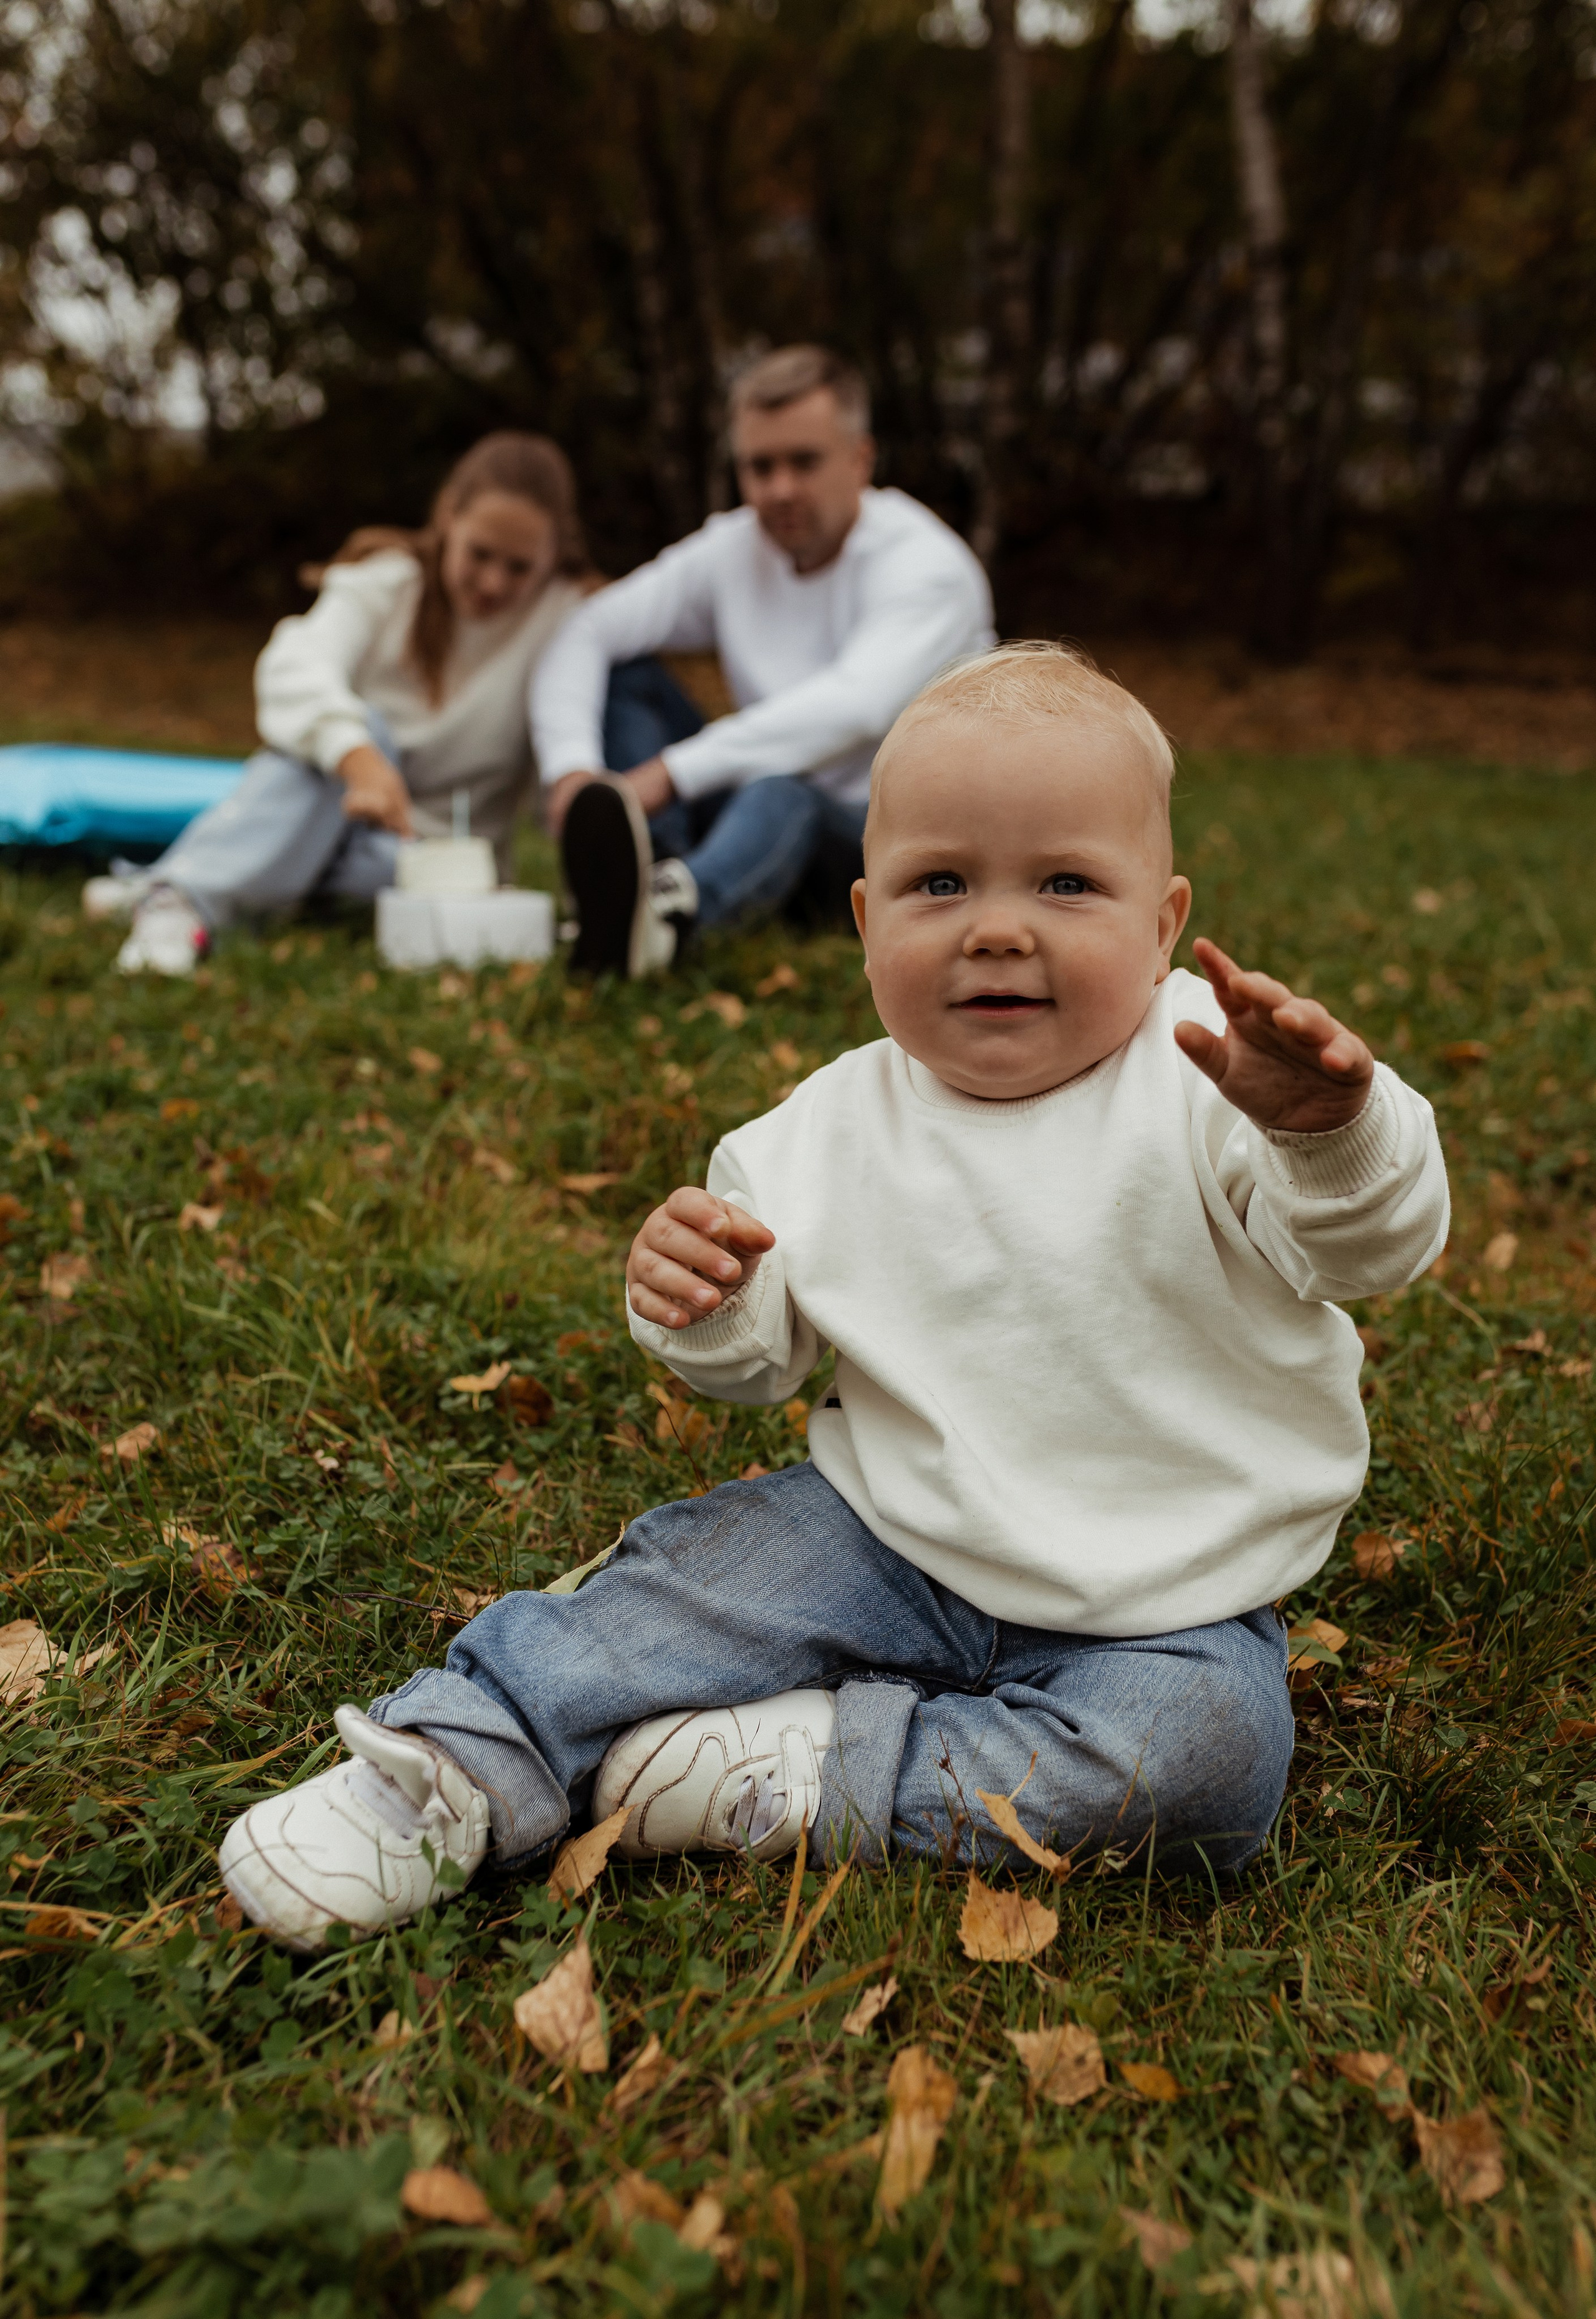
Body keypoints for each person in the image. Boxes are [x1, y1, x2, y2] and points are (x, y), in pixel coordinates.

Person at [216, 643, 1449, 1949]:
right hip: (884, 1537)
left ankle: (794, 1776)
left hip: (1165, 1597)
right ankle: (448, 1767)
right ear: (866, 923)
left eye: (1066, 883)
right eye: (939, 883)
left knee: (1210, 1758)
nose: (995, 925)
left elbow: (1366, 1251)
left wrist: (1326, 1130)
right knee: (684, 1588)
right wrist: (699, 1304)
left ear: (1160, 922)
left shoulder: (1214, 1078)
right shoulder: (816, 1133)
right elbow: (756, 1362)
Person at [532, 343, 995, 979]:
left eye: (803, 462)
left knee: (783, 793)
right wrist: (572, 773)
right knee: (626, 677)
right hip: (751, 819)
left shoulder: (927, 567)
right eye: (758, 467)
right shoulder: (734, 548)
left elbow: (854, 706)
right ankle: (638, 883)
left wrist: (667, 774)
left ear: (861, 460)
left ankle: (670, 922)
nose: (778, 490)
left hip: (898, 850)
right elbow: (588, 629)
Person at [85, 433, 591, 976]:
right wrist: (357, 759)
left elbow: (566, 762)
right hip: (332, 805)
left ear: (554, 554)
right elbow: (294, 663)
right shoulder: (390, 582)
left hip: (426, 864)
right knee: (351, 730)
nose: (493, 582)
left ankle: (189, 874)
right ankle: (177, 904)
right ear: (448, 517)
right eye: (480, 554)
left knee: (303, 842)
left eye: (519, 568)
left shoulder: (567, 620)